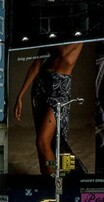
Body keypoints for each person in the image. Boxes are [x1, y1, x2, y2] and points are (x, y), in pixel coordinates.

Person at [14, 43, 86, 176]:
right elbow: (36, 66)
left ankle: (54, 180)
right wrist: (20, 96)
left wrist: (49, 41)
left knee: (45, 141)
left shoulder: (79, 36)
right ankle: (47, 178)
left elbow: (64, 53)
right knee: (42, 144)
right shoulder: (54, 37)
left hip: (60, 89)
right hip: (42, 85)